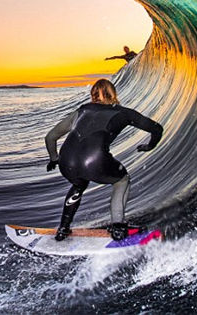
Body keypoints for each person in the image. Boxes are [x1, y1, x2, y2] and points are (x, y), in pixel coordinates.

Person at [44, 78, 162, 241]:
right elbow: (156, 128)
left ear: (93, 95)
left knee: (79, 184)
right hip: (94, 161)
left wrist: (54, 159)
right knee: (122, 180)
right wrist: (150, 146)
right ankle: (118, 227)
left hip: (67, 161)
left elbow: (50, 137)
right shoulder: (124, 113)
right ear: (113, 94)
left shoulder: (82, 110)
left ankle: (63, 228)